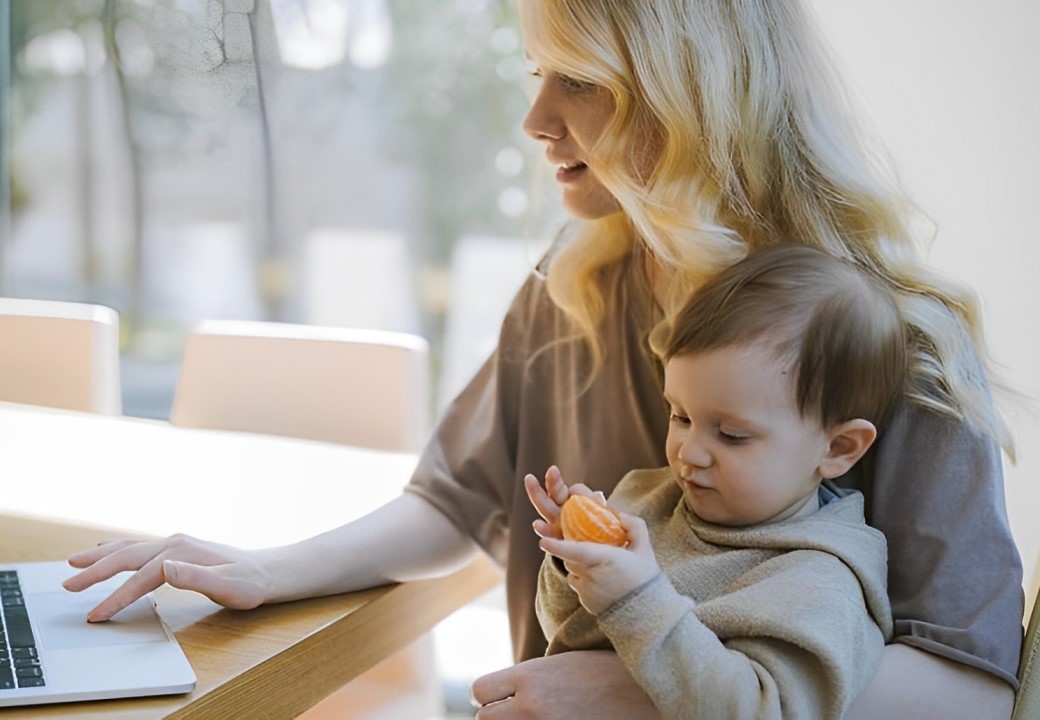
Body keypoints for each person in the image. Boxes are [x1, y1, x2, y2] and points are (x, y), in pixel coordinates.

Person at [63, 0, 1024, 717]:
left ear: (694, 96)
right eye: (537, 73)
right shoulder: (571, 286)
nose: (536, 121)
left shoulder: (901, 342)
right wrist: (270, 570)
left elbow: (972, 688)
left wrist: (650, 691)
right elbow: (455, 500)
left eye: (584, 81)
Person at [529, 243, 904, 718]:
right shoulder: (648, 499)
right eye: (680, 416)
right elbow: (566, 634)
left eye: (731, 434)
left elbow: (760, 711)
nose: (689, 451)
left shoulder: (820, 583)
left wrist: (636, 599)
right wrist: (575, 563)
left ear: (838, 449)